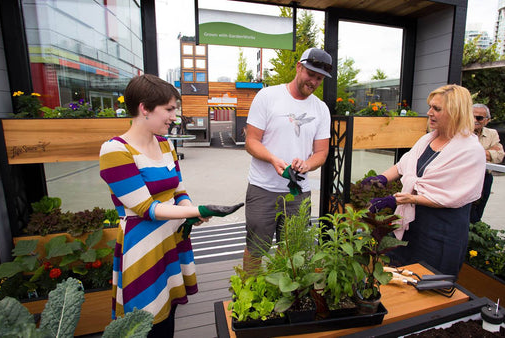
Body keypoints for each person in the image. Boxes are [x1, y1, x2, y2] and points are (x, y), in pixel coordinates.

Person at [99, 74, 242, 336]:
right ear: (144, 108)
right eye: (169, 109)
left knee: (168, 317)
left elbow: (179, 190)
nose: (174, 116)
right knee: (146, 323)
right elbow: (147, 209)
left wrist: (189, 208)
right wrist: (199, 211)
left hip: (171, 240)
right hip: (144, 247)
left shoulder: (165, 144)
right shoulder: (115, 151)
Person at [362, 84, 485, 276]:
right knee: (402, 276)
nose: (429, 113)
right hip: (412, 225)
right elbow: (405, 165)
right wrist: (381, 179)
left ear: (455, 112)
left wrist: (402, 199)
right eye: (430, 107)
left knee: (430, 284)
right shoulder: (428, 140)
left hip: (441, 231)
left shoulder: (470, 150)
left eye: (437, 109)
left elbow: (453, 196)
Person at [242, 48, 332, 274]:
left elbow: (321, 152)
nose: (313, 81)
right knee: (256, 248)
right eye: (310, 74)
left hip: (298, 192)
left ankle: (281, 293)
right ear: (299, 67)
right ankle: (250, 296)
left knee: (291, 249)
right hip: (263, 188)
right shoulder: (267, 96)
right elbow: (251, 141)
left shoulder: (321, 109)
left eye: (319, 78)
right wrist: (272, 158)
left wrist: (307, 164)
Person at [470, 104, 505, 223]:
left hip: (485, 177)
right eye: (472, 116)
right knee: (467, 212)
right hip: (466, 177)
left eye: (479, 118)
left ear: (487, 120)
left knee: (478, 213)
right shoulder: (461, 132)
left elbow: (500, 155)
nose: (475, 120)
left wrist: (473, 153)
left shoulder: (492, 133)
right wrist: (489, 152)